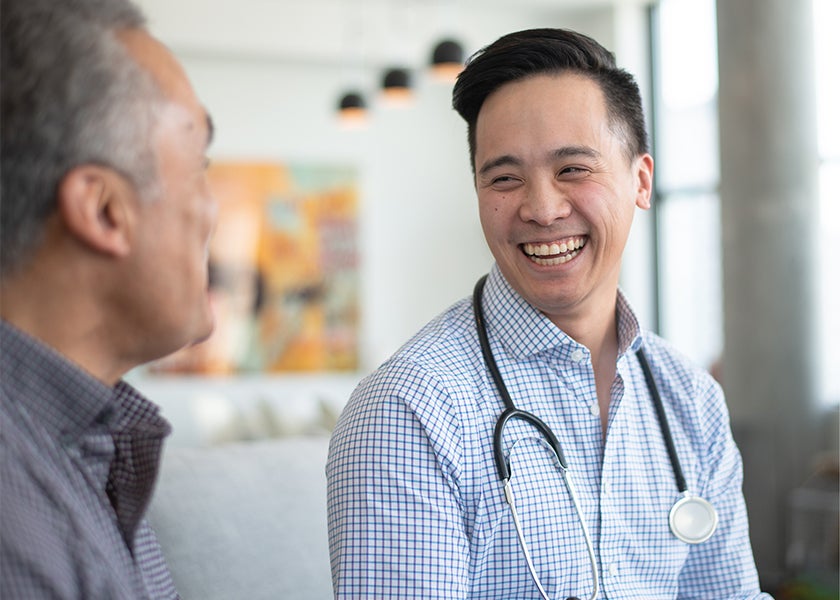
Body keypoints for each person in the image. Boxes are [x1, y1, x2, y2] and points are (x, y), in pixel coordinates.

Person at [327, 28, 772, 599]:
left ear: (641, 180)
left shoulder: (690, 400)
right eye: (505, 178)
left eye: (573, 169)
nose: (541, 209)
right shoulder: (408, 412)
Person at [1, 0, 216, 597]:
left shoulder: (88, 445)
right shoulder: (16, 526)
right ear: (103, 212)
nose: (212, 208)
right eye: (198, 165)